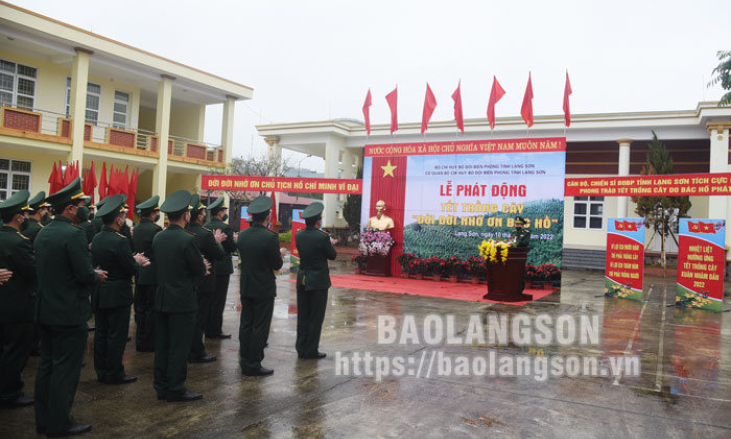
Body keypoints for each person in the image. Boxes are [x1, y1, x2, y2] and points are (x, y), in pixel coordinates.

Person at [34, 177, 107, 437]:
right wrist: (96, 275)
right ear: (71, 209)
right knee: (65, 370)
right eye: (81, 204)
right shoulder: (73, 235)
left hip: (45, 310)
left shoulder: (43, 231)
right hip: (68, 313)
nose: (84, 208)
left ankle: (43, 420)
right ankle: (60, 423)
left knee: (47, 367)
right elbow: (84, 274)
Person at [152, 190, 207, 402]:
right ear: (186, 216)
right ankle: (176, 387)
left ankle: (161, 386)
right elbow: (199, 270)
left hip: (163, 297)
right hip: (182, 300)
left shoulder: (159, 238)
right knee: (179, 345)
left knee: (163, 344)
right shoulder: (187, 240)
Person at [91, 194, 149, 385]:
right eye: (122, 215)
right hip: (117, 293)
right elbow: (130, 269)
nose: (124, 218)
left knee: (101, 332)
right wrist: (138, 262)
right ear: (118, 219)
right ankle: (115, 372)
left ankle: (101, 370)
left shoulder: (97, 238)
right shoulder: (120, 240)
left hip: (100, 291)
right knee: (116, 335)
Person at [237, 196, 284, 376]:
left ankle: (244, 359)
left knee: (246, 324)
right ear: (267, 216)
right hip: (263, 288)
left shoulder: (243, 234)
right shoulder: (270, 237)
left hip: (246, 285)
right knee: (260, 326)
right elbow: (277, 265)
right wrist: (279, 254)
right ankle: (254, 363)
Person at [0, 190, 36, 409]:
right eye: (24, 214)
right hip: (17, 305)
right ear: (19, 217)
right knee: (15, 351)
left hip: (3, 304)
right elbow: (32, 271)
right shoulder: (18, 242)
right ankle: (11, 393)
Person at [295, 202, 337, 360]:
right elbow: (332, 255)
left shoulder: (299, 235)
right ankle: (311, 349)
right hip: (318, 281)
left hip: (303, 279)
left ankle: (301, 347)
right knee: (315, 317)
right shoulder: (323, 237)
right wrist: (330, 244)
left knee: (303, 315)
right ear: (318, 221)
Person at [187, 194, 225, 364]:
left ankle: (190, 348)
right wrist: (217, 241)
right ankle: (197, 351)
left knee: (189, 317)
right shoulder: (205, 234)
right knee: (199, 318)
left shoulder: (186, 231)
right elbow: (219, 254)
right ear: (200, 215)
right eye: (202, 212)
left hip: (189, 282)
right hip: (204, 281)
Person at [131, 195, 162, 352]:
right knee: (151, 310)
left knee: (141, 310)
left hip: (139, 274)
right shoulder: (156, 229)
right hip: (153, 275)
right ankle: (149, 342)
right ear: (152, 213)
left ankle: (140, 341)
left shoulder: (135, 229)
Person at [204, 197, 237, 340]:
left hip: (210, 266)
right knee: (219, 300)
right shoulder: (225, 228)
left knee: (209, 299)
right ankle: (215, 330)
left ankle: (207, 327)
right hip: (222, 268)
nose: (225, 213)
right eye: (224, 211)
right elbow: (232, 247)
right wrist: (235, 240)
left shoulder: (205, 226)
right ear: (220, 213)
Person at [22, 191, 48, 356]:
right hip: (33, 275)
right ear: (41, 210)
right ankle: (33, 345)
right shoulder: (38, 229)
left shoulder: (27, 228)